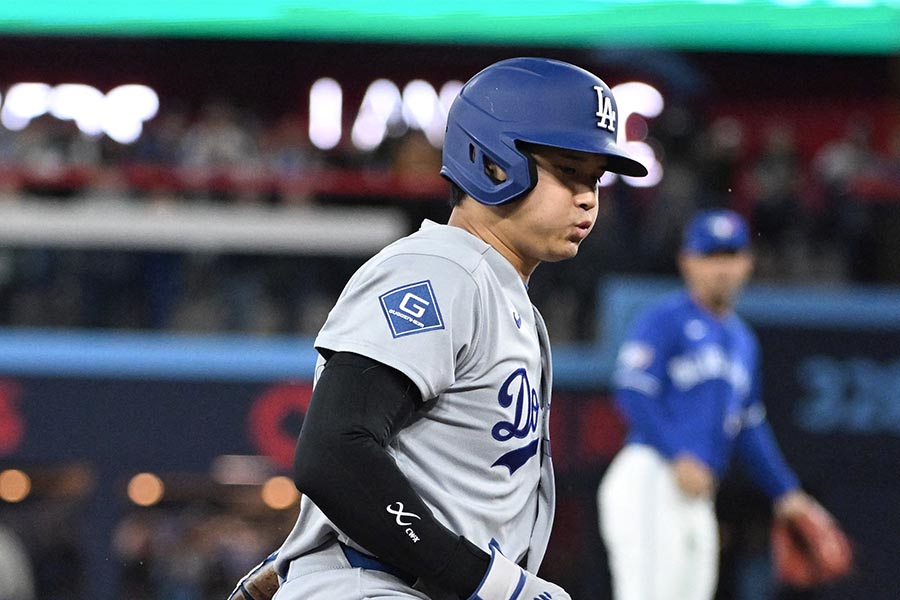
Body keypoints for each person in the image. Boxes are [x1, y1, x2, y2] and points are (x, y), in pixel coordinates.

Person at [229, 56, 648, 600]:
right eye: (568, 171)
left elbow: (413, 471)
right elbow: (335, 451)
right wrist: (483, 580)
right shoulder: (442, 269)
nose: (589, 195)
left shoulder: (495, 290)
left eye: (595, 178)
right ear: (494, 163)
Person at [597, 209, 828, 600]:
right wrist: (677, 455)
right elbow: (633, 391)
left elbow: (749, 426)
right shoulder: (665, 319)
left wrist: (786, 492)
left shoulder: (743, 341)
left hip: (697, 494)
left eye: (730, 255)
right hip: (652, 473)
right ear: (687, 261)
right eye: (710, 256)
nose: (721, 268)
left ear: (747, 263)